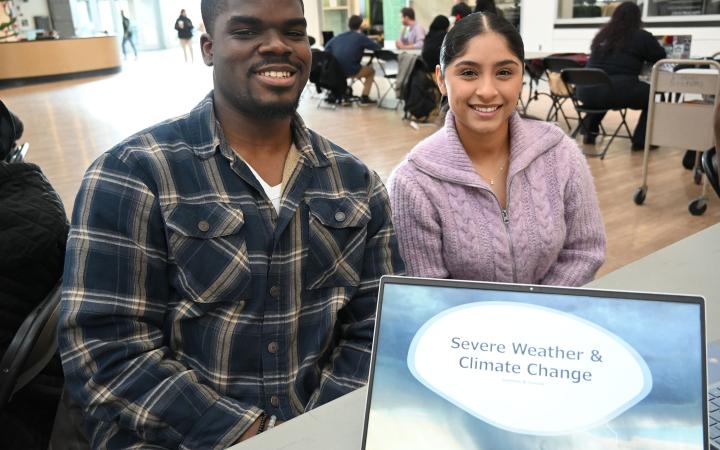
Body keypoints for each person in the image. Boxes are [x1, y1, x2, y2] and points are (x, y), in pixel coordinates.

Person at [57, 0, 405, 448]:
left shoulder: (355, 182)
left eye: (294, 32)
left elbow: (376, 325)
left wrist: (319, 431)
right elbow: (104, 350)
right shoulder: (134, 173)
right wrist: (260, 436)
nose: (277, 46)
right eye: (246, 31)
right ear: (208, 47)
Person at [388, 12, 606, 287]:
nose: (488, 91)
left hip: (552, 320)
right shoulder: (412, 183)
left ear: (521, 77)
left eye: (504, 72)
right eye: (469, 73)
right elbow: (430, 292)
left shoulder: (559, 152)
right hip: (465, 329)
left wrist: (537, 312)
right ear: (441, 80)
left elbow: (584, 251)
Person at [577, 2, 665, 149]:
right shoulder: (641, 36)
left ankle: (589, 132)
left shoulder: (602, 35)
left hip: (585, 91)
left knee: (603, 86)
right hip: (615, 91)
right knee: (654, 95)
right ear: (638, 18)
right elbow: (660, 57)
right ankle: (641, 141)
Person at [324, 15, 380, 105]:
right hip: (351, 70)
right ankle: (365, 97)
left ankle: (344, 94)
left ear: (348, 25)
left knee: (345, 66)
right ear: (361, 26)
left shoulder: (338, 37)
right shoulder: (360, 37)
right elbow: (377, 47)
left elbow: (326, 48)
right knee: (371, 71)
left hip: (336, 71)